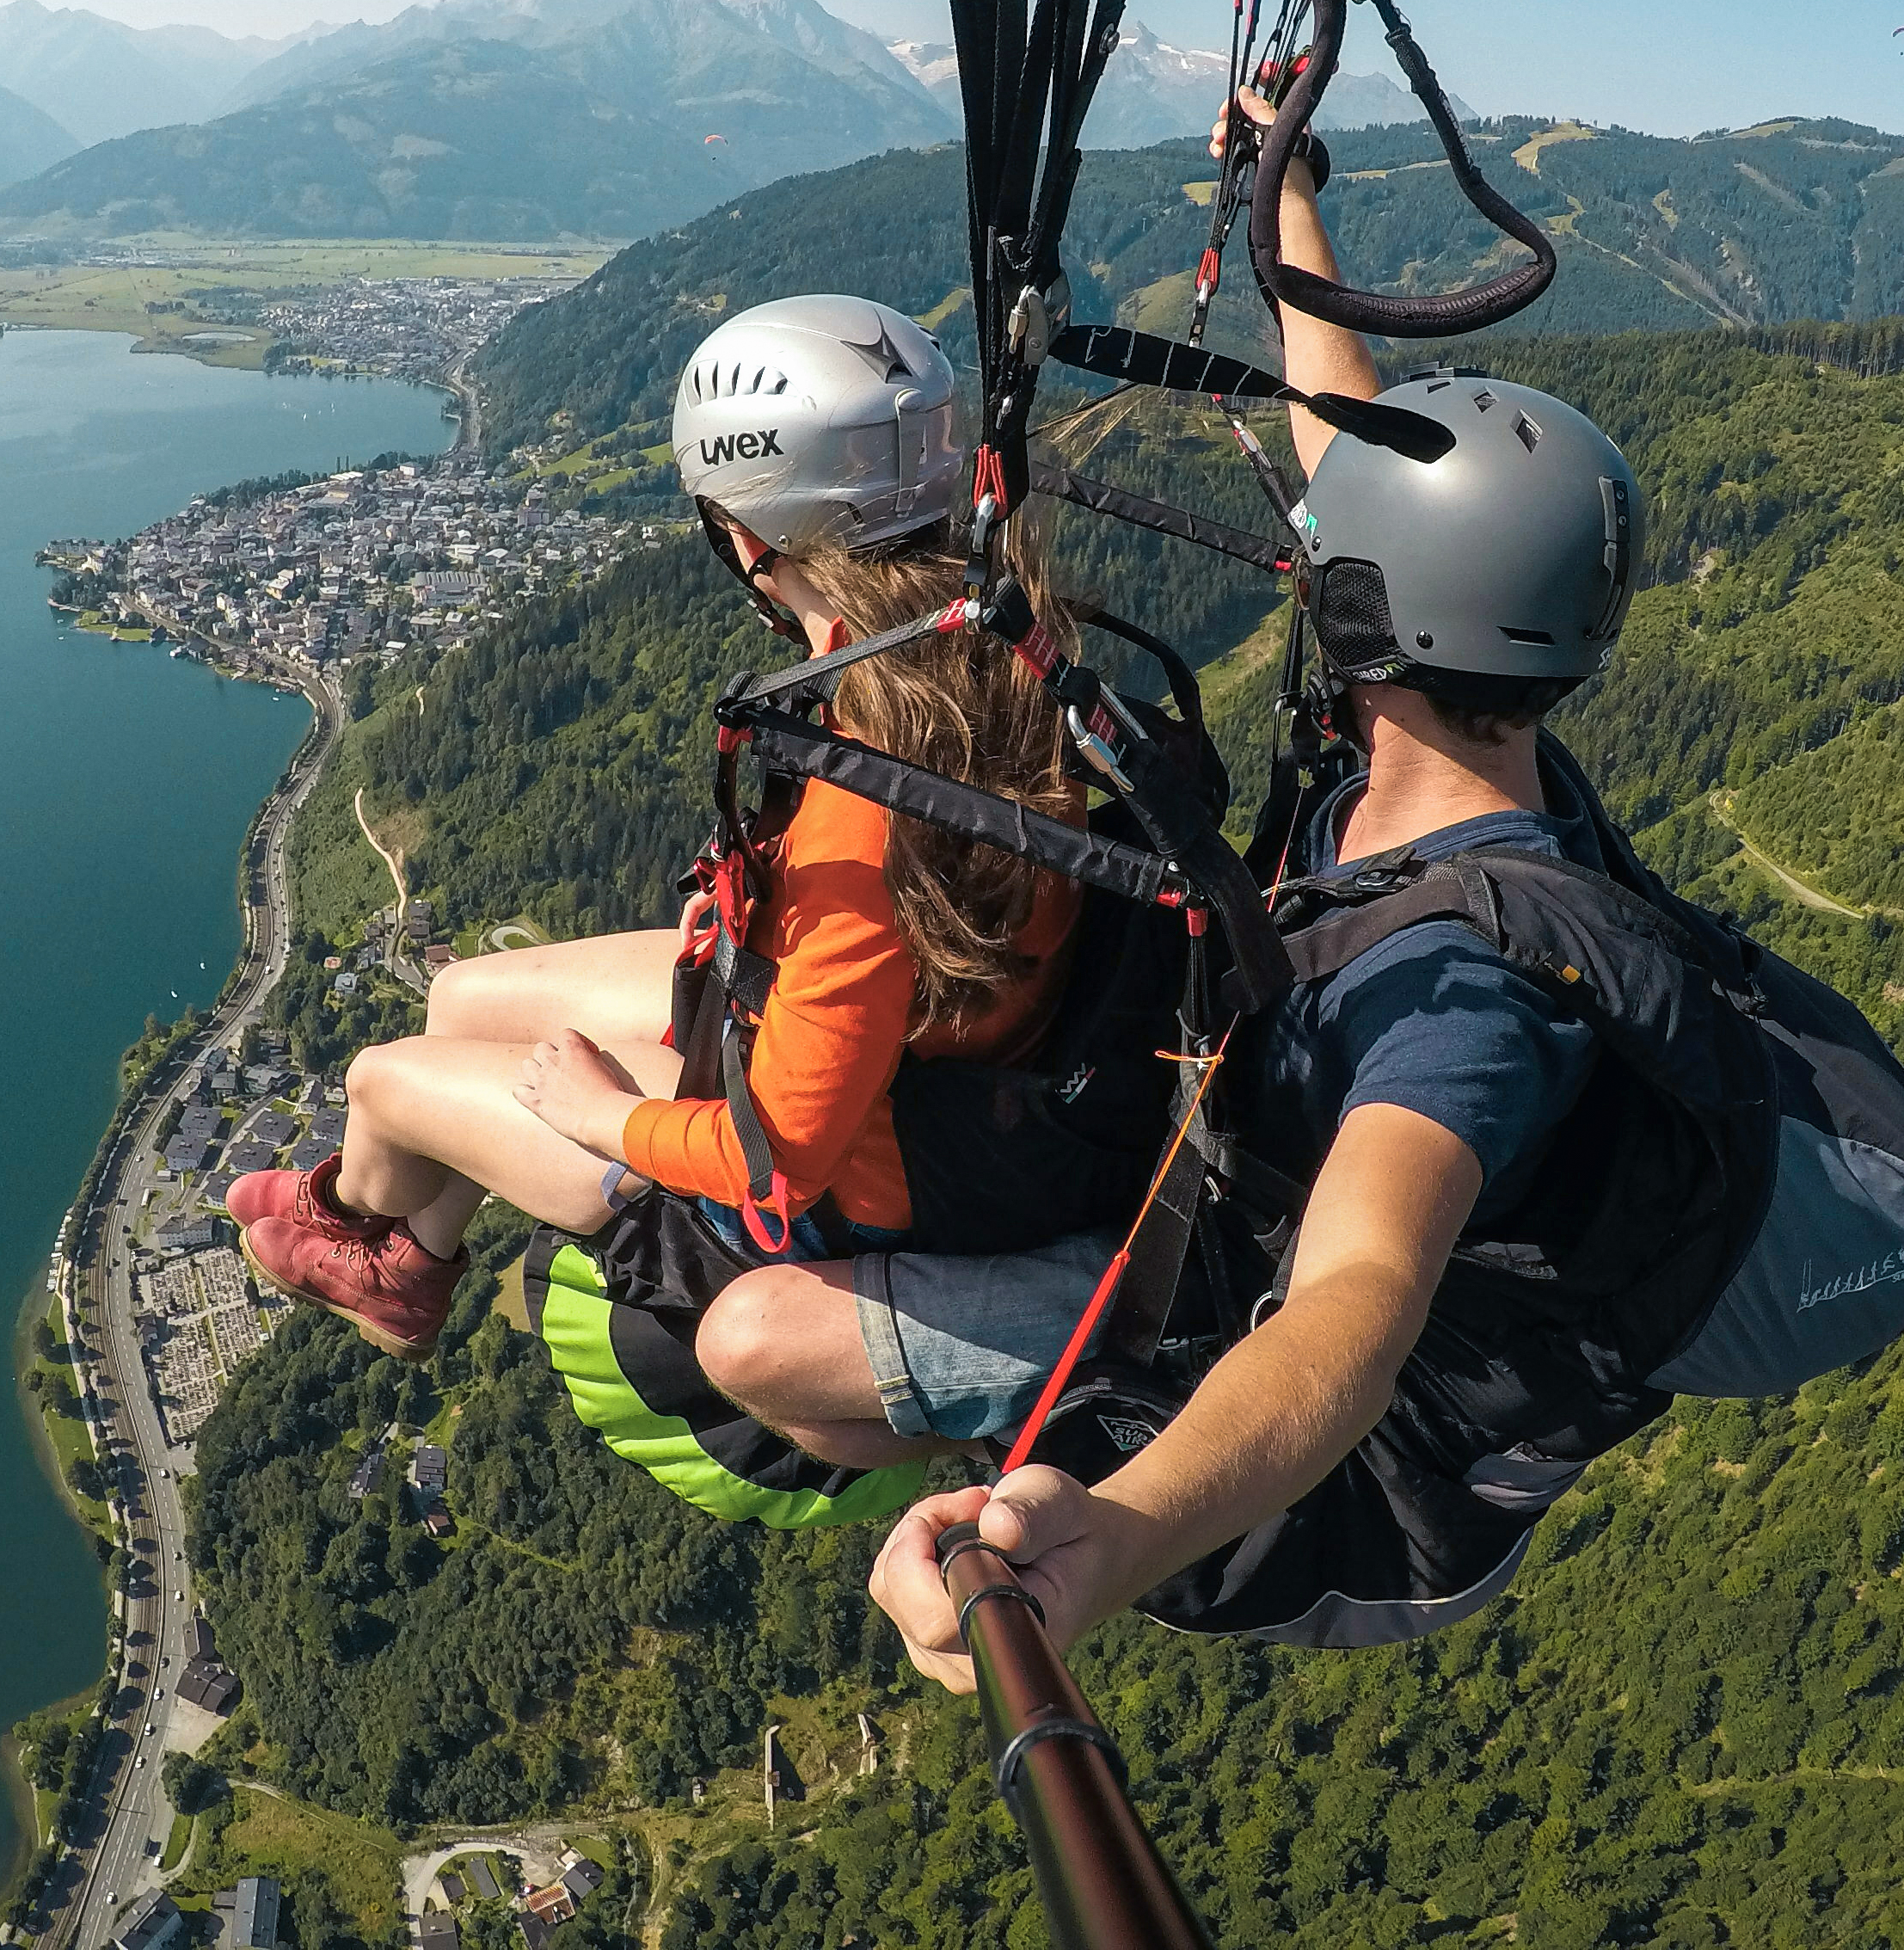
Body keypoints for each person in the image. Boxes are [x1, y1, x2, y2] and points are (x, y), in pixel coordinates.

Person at [686, 102, 1674, 1676]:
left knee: (751, 1340)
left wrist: (1126, 1530)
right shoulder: (1425, 760)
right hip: (1194, 1156)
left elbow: (1353, 1300)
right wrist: (1284, 194)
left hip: (1241, 1332)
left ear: (1361, 612)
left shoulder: (1471, 995)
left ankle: (974, 1406)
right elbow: (1344, 438)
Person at [220, 294, 1088, 1375]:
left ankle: (354, 1220)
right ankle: (392, 1249)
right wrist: (765, 910)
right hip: (923, 1060)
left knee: (383, 1081)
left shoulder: (873, 811)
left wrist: (602, 1120)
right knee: (456, 1000)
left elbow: (778, 1167)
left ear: (746, 533)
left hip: (856, 1175)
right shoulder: (987, 644)